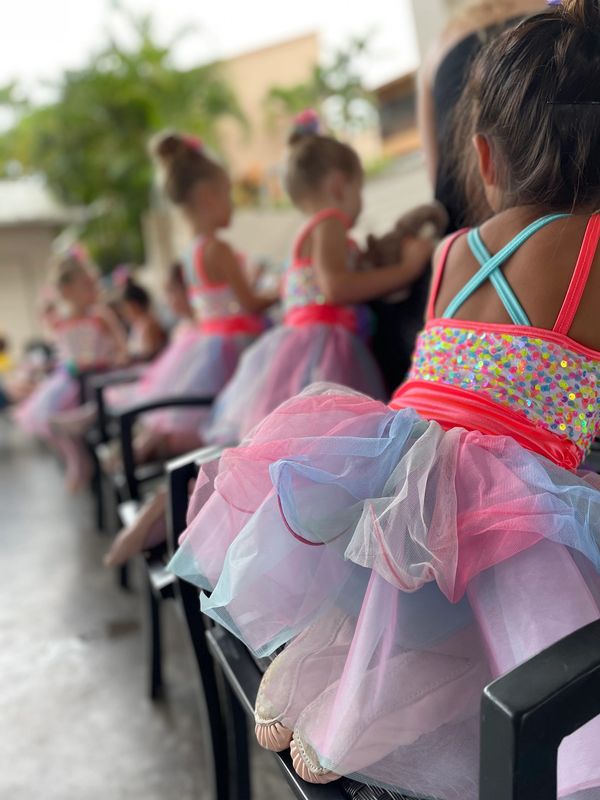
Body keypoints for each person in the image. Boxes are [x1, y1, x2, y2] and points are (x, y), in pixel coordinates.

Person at [169, 1, 600, 794]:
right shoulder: (592, 243)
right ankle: (382, 704)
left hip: (400, 500)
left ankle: (345, 677)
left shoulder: (450, 252)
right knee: (529, 610)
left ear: (483, 156)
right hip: (503, 519)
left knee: (423, 585)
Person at [202, 111, 432, 446]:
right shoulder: (330, 223)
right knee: (337, 437)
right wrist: (406, 270)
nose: (361, 203)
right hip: (327, 351)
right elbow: (336, 287)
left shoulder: (310, 231)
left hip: (301, 348)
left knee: (307, 442)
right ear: (339, 186)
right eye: (359, 190)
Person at [111, 132, 277, 466]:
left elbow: (215, 305)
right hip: (235, 349)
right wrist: (284, 288)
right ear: (206, 196)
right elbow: (250, 304)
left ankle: (144, 451)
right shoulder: (219, 248)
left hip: (206, 344)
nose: (232, 204)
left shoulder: (191, 252)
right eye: (228, 194)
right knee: (240, 420)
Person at [418, 0, 549, 230]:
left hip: (464, 226)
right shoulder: (567, 13)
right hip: (567, 207)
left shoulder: (439, 48)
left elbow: (435, 169)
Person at [15, 246, 126, 490]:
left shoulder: (100, 316)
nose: (93, 289)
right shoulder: (62, 321)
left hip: (100, 375)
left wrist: (113, 358)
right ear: (66, 291)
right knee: (50, 415)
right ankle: (77, 458)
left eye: (92, 283)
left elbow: (121, 348)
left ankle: (87, 415)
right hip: (72, 379)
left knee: (98, 396)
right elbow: (63, 353)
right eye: (85, 285)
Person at [117, 276, 167, 360]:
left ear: (134, 306)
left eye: (126, 307)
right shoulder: (137, 325)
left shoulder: (149, 325)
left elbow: (151, 354)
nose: (125, 312)